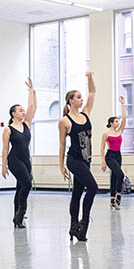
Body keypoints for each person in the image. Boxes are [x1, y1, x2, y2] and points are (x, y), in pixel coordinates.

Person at [58, 71, 97, 242]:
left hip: (86, 160)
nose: (82, 100)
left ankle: (73, 227)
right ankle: (83, 224)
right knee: (93, 187)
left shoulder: (85, 113)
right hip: (73, 160)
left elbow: (93, 93)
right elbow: (61, 144)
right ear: (71, 101)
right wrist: (61, 165)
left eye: (82, 97)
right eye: (78, 97)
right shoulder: (65, 121)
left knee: (77, 192)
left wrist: (90, 79)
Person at [2, 78, 37, 229]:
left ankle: (17, 214)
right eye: (20, 110)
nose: (23, 112)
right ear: (13, 113)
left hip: (26, 160)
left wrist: (31, 91)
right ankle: (20, 215)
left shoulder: (26, 124)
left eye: (23, 111)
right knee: (27, 184)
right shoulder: (8, 129)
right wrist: (4, 166)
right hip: (14, 159)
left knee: (20, 187)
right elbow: (4, 149)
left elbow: (32, 107)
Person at [100, 95, 127, 209]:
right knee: (120, 174)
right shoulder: (106, 134)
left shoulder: (119, 131)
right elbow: (102, 148)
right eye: (116, 121)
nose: (118, 122)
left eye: (118, 121)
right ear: (111, 123)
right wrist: (103, 162)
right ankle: (118, 197)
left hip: (118, 155)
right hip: (110, 156)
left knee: (115, 177)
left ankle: (112, 200)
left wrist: (122, 104)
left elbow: (125, 118)